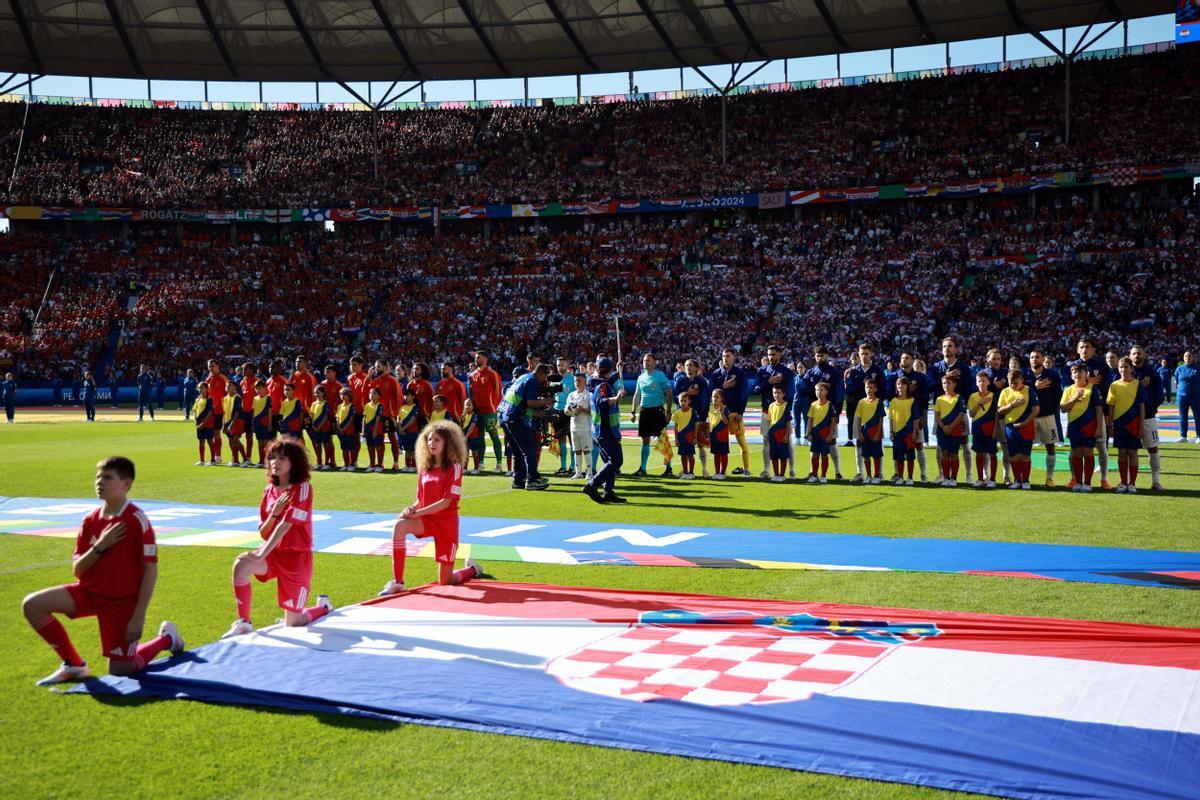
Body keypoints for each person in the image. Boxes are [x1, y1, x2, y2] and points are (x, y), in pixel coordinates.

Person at [21, 456, 184, 685]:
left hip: (121, 603)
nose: (99, 482)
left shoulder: (136, 520)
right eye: (98, 477)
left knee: (120, 670)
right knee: (32, 604)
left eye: (107, 477)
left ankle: (167, 638)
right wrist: (100, 546)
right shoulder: (90, 520)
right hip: (90, 593)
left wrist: (138, 617)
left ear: (126, 484)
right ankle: (74, 665)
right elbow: (78, 571)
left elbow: (150, 570)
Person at [223, 438, 332, 638]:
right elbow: (264, 533)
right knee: (241, 566)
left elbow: (287, 524)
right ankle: (244, 623)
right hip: (274, 554)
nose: (275, 462)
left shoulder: (303, 488)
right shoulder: (269, 491)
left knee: (294, 623)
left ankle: (323, 607)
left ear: (294, 462)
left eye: (282, 458)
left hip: (296, 559)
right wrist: (274, 512)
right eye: (272, 458)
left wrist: (261, 553)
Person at [378, 420, 482, 596]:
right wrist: (411, 509)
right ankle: (398, 582)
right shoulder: (425, 467)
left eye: (437, 440)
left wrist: (417, 512)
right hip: (427, 519)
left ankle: (472, 569)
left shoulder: (455, 468)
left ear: (447, 443)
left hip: (446, 524)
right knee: (400, 525)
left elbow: (445, 502)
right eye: (429, 440)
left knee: (445, 580)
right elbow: (420, 499)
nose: (432, 444)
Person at [499, 364, 554, 491]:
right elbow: (531, 402)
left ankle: (518, 479)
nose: (545, 380)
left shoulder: (525, 377)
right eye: (546, 376)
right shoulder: (532, 380)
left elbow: (521, 402)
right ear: (541, 373)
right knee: (529, 449)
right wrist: (546, 401)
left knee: (517, 451)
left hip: (504, 414)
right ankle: (532, 479)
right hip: (514, 417)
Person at [928, 337, 974, 483]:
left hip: (959, 411)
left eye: (950, 346)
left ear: (956, 349)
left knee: (965, 440)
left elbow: (969, 389)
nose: (947, 348)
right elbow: (929, 386)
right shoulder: (935, 367)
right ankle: (942, 474)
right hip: (940, 411)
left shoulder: (964, 368)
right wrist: (945, 377)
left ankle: (968, 475)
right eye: (944, 346)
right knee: (941, 444)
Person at [583, 357, 628, 502]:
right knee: (616, 461)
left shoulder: (594, 381)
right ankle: (592, 484)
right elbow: (601, 402)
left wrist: (618, 371)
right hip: (607, 429)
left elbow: (606, 382)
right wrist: (615, 398)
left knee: (608, 461)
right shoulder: (603, 386)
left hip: (598, 429)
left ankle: (608, 491)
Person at [1070, 338, 1113, 489]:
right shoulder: (1071, 366)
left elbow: (1107, 388)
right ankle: (1074, 478)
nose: (1085, 349)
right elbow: (1066, 386)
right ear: (1077, 350)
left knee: (1101, 447)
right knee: (1074, 449)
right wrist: (1087, 381)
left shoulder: (1102, 366)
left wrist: (1107, 412)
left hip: (1096, 412)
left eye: (1087, 347)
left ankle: (1104, 479)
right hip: (1076, 414)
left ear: (1093, 350)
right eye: (1081, 347)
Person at [844, 344, 886, 483]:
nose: (864, 356)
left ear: (871, 354)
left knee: (876, 441)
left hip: (874, 411)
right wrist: (860, 385)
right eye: (862, 354)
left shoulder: (877, 370)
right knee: (858, 441)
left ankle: (878, 473)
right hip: (858, 410)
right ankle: (860, 473)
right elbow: (849, 391)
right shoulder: (853, 371)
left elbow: (884, 389)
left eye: (866, 353)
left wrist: (875, 398)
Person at [1107, 357, 1147, 494]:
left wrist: (1141, 426)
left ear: (1131, 368)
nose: (1123, 369)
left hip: (1134, 424)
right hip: (1119, 424)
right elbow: (1111, 407)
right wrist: (1110, 425)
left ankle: (1132, 484)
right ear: (1118, 368)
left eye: (1126, 367)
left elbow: (1142, 406)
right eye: (1121, 367)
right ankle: (1123, 483)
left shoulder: (1138, 384)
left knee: (1133, 453)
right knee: (1122, 453)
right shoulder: (1114, 385)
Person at [630, 353, 674, 477]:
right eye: (644, 360)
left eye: (649, 360)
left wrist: (669, 411)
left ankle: (668, 468)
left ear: (655, 362)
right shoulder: (641, 377)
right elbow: (637, 394)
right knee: (645, 440)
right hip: (644, 411)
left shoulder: (660, 376)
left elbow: (669, 394)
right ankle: (643, 469)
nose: (646, 362)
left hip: (657, 411)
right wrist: (633, 411)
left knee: (663, 439)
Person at [757, 345, 796, 479]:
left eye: (773, 354)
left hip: (782, 411)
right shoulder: (762, 371)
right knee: (766, 440)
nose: (771, 357)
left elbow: (790, 392)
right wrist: (768, 382)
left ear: (779, 354)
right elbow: (756, 389)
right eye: (769, 354)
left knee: (787, 441)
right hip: (766, 410)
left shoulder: (786, 372)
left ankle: (791, 470)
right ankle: (767, 470)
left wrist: (787, 409)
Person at [1060, 364, 1100, 493]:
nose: (1077, 374)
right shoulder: (1068, 390)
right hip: (1074, 426)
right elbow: (1063, 408)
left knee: (1088, 452)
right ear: (1072, 376)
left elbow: (1098, 409)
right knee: (1076, 453)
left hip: (1089, 425)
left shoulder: (1092, 389)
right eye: (1074, 372)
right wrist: (1074, 399)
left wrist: (1099, 427)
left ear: (1086, 374)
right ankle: (1077, 482)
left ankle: (1087, 483)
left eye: (1080, 372)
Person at [1130, 345, 1165, 491]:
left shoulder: (1152, 373)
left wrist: (1151, 407)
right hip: (1129, 417)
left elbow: (1159, 394)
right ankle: (1128, 482)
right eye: (1134, 353)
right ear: (1130, 355)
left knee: (1152, 448)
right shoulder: (1125, 371)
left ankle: (1156, 481)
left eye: (1139, 353)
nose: (1137, 355)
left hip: (1148, 417)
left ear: (1144, 355)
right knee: (1129, 450)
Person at [711, 349, 751, 476]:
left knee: (742, 443)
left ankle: (746, 470)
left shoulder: (740, 374)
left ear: (733, 358)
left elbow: (744, 394)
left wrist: (740, 412)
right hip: (719, 415)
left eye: (728, 356)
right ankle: (721, 472)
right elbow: (710, 392)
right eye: (723, 356)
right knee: (720, 445)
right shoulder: (717, 373)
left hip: (734, 414)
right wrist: (723, 386)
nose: (725, 358)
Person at [997, 370, 1039, 490]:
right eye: (1010, 383)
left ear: (1022, 380)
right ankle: (1017, 480)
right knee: (1014, 455)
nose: (1013, 386)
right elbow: (999, 410)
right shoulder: (1005, 392)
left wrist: (1024, 423)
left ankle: (1025, 481)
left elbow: (1035, 410)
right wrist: (1012, 405)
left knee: (1025, 455)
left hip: (1026, 426)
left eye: (1015, 383)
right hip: (1011, 428)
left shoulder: (1029, 390)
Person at [1027, 350, 1062, 488]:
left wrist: (1052, 409)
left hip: (1048, 416)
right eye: (1032, 357)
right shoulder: (1024, 375)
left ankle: (1049, 478)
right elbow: (1019, 393)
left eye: (1037, 357)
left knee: (1050, 446)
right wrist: (1034, 388)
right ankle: (1025, 478)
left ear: (1043, 359)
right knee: (1026, 448)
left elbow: (1058, 395)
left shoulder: (1052, 375)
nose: (1034, 359)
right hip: (1030, 417)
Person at [468, 351, 505, 472]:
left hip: (490, 411)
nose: (476, 359)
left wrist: (495, 409)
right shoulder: (472, 375)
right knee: (479, 438)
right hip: (478, 412)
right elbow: (471, 395)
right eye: (475, 358)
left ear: (486, 359)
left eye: (479, 357)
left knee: (494, 436)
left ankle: (499, 464)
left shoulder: (492, 374)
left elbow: (499, 393)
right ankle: (481, 464)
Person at [981, 349, 1013, 485]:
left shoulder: (1007, 373)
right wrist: (993, 387)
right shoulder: (982, 374)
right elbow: (977, 392)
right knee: (987, 448)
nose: (996, 361)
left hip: (1004, 417)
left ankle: (1006, 476)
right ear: (988, 359)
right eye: (993, 359)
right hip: (987, 417)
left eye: (998, 359)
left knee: (1006, 448)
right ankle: (985, 475)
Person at [675, 359, 711, 478]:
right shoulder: (680, 380)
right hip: (683, 420)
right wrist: (687, 393)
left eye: (691, 365)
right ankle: (685, 470)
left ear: (696, 368)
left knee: (701, 444)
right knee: (685, 446)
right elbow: (676, 397)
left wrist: (702, 417)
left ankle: (704, 470)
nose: (688, 367)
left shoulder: (702, 382)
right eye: (686, 365)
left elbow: (705, 400)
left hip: (698, 417)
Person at [967, 371, 998, 488]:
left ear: (988, 382)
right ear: (976, 382)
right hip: (977, 429)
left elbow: (996, 415)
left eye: (984, 381)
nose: (981, 383)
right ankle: (980, 478)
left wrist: (995, 430)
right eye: (979, 381)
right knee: (979, 453)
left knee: (992, 454)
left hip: (990, 428)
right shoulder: (973, 396)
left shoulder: (994, 396)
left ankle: (993, 479)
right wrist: (979, 403)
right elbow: (971, 414)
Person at [934, 375, 966, 487]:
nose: (946, 385)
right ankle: (946, 478)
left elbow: (961, 414)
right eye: (944, 383)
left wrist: (951, 426)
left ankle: (954, 478)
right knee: (944, 453)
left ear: (954, 384)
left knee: (954, 453)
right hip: (942, 431)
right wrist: (943, 427)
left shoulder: (959, 398)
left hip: (955, 430)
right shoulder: (939, 399)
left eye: (948, 383)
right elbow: (937, 415)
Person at [854, 378, 885, 484]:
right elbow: (859, 418)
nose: (868, 389)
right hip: (864, 432)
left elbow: (881, 419)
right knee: (866, 455)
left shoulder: (878, 402)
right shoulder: (861, 402)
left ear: (875, 389)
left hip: (875, 431)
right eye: (867, 387)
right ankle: (868, 475)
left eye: (871, 387)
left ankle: (877, 475)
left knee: (876, 454)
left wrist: (878, 433)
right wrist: (859, 433)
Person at [805, 381, 836, 484]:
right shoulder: (813, 405)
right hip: (815, 434)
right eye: (817, 390)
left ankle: (823, 476)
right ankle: (814, 475)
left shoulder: (830, 405)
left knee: (824, 455)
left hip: (825, 434)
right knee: (814, 454)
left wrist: (830, 434)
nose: (818, 392)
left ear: (826, 392)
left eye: (821, 390)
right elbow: (810, 419)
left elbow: (833, 421)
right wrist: (808, 433)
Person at [888, 377, 917, 486]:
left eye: (903, 384)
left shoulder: (912, 400)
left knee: (910, 456)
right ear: (896, 386)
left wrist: (914, 431)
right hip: (897, 432)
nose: (901, 386)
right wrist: (891, 431)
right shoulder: (893, 401)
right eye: (899, 384)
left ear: (907, 386)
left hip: (909, 432)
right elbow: (891, 418)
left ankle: (910, 477)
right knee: (899, 456)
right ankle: (900, 477)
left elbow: (915, 418)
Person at [565, 371, 593, 481]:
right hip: (574, 427)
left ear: (584, 381)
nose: (577, 383)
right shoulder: (571, 395)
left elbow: (592, 411)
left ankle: (589, 473)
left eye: (579, 381)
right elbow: (566, 410)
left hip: (585, 427)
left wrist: (582, 409)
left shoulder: (589, 395)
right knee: (576, 450)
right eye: (575, 381)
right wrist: (569, 411)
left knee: (586, 450)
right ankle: (578, 472)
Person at [551, 357, 576, 476]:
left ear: (567, 365)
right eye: (558, 365)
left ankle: (573, 466)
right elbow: (552, 397)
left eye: (562, 365)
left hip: (570, 413)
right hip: (557, 412)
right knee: (561, 439)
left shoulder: (573, 379)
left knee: (572, 440)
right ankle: (563, 466)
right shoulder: (554, 380)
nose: (560, 367)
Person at [765, 384, 791, 482]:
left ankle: (782, 475)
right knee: (774, 455)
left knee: (783, 456)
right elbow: (769, 421)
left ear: (783, 394)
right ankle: (775, 475)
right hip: (772, 435)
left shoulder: (786, 406)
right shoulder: (771, 406)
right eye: (774, 393)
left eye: (778, 393)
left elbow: (788, 422)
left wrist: (786, 435)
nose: (776, 395)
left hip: (782, 434)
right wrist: (768, 433)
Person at [673, 391, 699, 480]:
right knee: (683, 455)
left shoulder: (693, 412)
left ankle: (691, 473)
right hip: (681, 438)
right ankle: (685, 472)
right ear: (678, 402)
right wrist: (676, 439)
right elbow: (676, 427)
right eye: (681, 401)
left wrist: (695, 437)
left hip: (690, 437)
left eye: (685, 400)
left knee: (691, 455)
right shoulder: (677, 413)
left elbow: (696, 425)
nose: (683, 403)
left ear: (689, 401)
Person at [222, 380, 248, 467]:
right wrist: (224, 425)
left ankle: (245, 459)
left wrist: (231, 424)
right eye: (227, 385)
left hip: (237, 421)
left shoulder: (237, 397)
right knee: (231, 441)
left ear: (235, 388)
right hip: (228, 422)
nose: (228, 387)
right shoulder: (225, 398)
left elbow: (237, 412)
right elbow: (225, 412)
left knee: (235, 440)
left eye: (230, 385)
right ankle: (235, 460)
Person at [707, 388, 732, 480]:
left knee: (723, 454)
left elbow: (726, 422)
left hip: (722, 436)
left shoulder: (725, 408)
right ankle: (717, 472)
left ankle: (723, 472)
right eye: (713, 397)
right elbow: (710, 423)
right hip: (714, 436)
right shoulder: (711, 409)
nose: (714, 399)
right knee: (716, 454)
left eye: (717, 397)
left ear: (722, 398)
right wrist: (709, 435)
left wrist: (721, 412)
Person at [205, 361, 227, 465]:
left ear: (218, 366)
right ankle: (214, 456)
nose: (211, 368)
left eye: (213, 366)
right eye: (209, 366)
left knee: (217, 433)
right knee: (211, 434)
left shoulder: (223, 378)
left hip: (220, 410)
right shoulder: (208, 379)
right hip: (210, 411)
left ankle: (218, 456)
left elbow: (230, 393)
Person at [309, 385, 335, 471]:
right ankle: (319, 462)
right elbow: (312, 415)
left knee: (326, 444)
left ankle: (327, 462)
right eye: (315, 393)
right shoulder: (313, 403)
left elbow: (325, 416)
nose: (316, 394)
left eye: (318, 392)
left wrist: (319, 426)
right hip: (315, 427)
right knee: (317, 444)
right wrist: (313, 425)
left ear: (323, 393)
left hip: (324, 427)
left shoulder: (325, 403)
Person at [1176, 351, 1199, 443]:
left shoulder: (1198, 368)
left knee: (1198, 416)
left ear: (1193, 358)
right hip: (1181, 396)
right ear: (1183, 358)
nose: (1188, 358)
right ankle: (1183, 436)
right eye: (1186, 356)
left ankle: (1199, 436)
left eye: (1190, 356)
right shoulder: (1179, 369)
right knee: (1182, 416)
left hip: (1196, 396)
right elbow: (1177, 381)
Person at [397, 387, 422, 472]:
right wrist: (400, 428)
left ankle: (413, 466)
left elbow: (413, 420)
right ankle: (407, 466)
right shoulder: (402, 407)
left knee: (413, 450)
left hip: (412, 432)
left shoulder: (415, 407)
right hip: (403, 432)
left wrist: (403, 428)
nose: (406, 397)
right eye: (405, 395)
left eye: (408, 395)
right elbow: (398, 418)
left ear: (413, 397)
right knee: (407, 450)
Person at [335, 387, 360, 471]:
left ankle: (352, 464)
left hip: (349, 430)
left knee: (351, 447)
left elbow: (351, 419)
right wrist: (339, 427)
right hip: (341, 430)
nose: (342, 396)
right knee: (344, 447)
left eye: (345, 394)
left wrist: (344, 428)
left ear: (349, 396)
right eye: (341, 394)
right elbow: (337, 418)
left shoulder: (351, 406)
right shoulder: (339, 406)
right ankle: (346, 464)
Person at [363, 387, 386, 473]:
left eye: (374, 393)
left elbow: (378, 418)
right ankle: (372, 464)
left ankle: (380, 465)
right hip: (368, 430)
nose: (371, 395)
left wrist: (375, 431)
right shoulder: (367, 405)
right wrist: (363, 430)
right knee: (370, 447)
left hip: (377, 430)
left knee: (378, 446)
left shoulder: (379, 406)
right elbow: (364, 418)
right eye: (370, 393)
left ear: (378, 396)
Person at [192, 381, 216, 466]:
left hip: (208, 424)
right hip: (199, 424)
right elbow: (195, 410)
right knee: (201, 441)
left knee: (210, 441)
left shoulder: (209, 399)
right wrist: (195, 421)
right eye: (199, 388)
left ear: (207, 389)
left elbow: (210, 413)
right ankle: (202, 460)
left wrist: (203, 423)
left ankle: (213, 460)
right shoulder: (198, 399)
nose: (200, 389)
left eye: (202, 388)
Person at [251, 379, 273, 467]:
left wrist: (270, 424)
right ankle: (261, 461)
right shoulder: (255, 399)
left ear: (265, 388)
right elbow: (254, 412)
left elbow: (270, 412)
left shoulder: (268, 398)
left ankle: (268, 461)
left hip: (265, 423)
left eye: (260, 388)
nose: (258, 390)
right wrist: (253, 424)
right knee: (259, 442)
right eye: (256, 389)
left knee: (266, 442)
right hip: (257, 423)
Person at [460, 398, 486, 474]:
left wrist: (466, 436)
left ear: (473, 406)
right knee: (466, 452)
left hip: (473, 437)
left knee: (475, 452)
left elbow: (472, 426)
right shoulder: (463, 415)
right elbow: (461, 426)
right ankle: (465, 468)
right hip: (465, 437)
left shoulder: (475, 415)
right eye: (466, 405)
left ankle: (476, 468)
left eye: (469, 404)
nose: (467, 406)